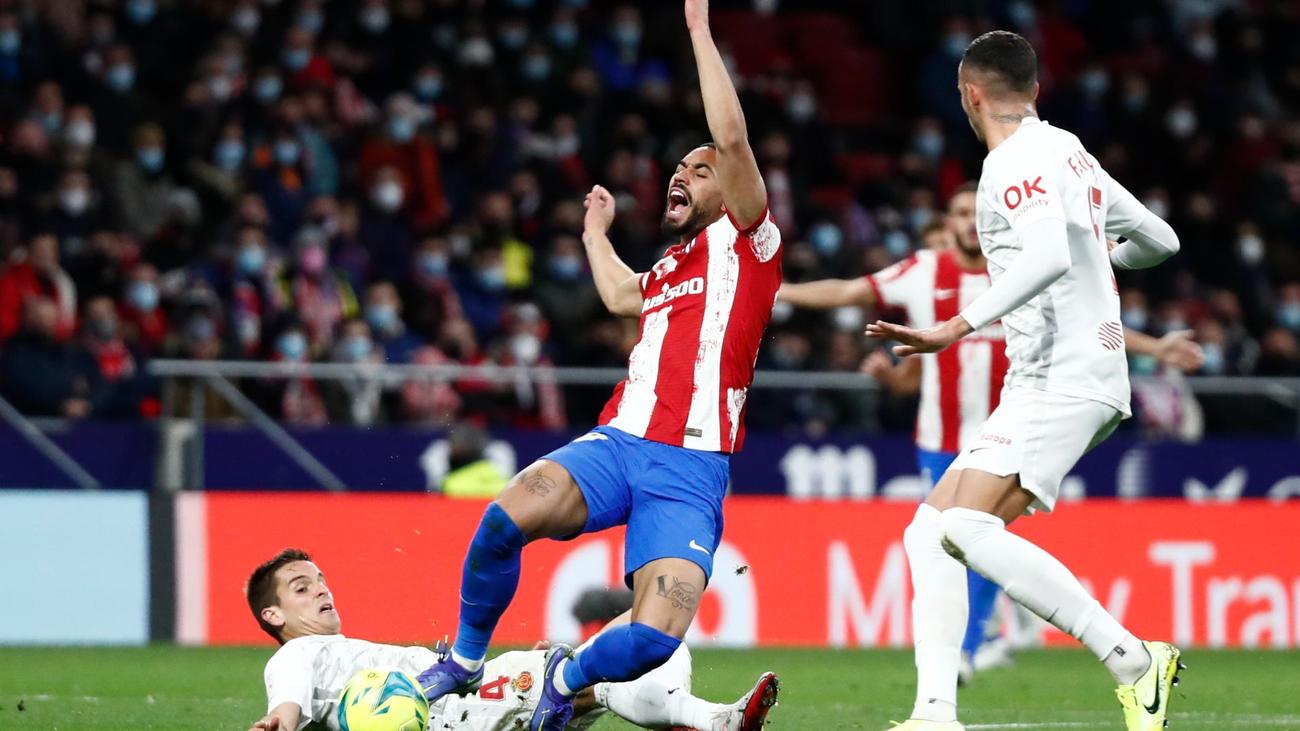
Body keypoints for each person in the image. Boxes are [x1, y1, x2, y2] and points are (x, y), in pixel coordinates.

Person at [416, 3, 782, 730]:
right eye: (677, 167)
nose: (682, 173)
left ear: (729, 189)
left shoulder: (750, 245)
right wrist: (594, 233)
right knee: (501, 520)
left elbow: (733, 138)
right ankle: (464, 658)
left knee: (652, 639)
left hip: (691, 466)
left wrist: (698, 32)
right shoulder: (672, 267)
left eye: (699, 169)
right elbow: (620, 294)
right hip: (618, 443)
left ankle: (567, 675)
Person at [866, 31, 1183, 731]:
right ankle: (933, 712)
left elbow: (1045, 255)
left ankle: (1132, 659)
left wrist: (956, 325)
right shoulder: (1069, 150)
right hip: (1064, 372)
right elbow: (1162, 239)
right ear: (1034, 90)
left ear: (969, 94)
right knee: (931, 530)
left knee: (966, 525)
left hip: (1061, 372)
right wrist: (1102, 261)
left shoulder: (1010, 162)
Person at [780, 185, 1202, 684]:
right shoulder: (923, 271)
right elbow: (849, 291)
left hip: (1010, 430)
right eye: (958, 213)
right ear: (948, 223)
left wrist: (1155, 348)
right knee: (948, 537)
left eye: (973, 213)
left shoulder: (1020, 268)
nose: (966, 222)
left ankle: (967, 650)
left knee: (972, 534)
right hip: (941, 440)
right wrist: (779, 291)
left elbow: (1086, 322)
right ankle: (958, 668)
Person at [244, 548, 778, 731]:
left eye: (320, 580)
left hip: (472, 696)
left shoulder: (336, 653)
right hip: (454, 711)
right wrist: (278, 721)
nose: (321, 590)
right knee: (606, 672)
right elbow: (287, 702)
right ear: (272, 614)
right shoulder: (296, 653)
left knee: (652, 639)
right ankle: (715, 720)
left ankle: (681, 716)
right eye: (301, 588)